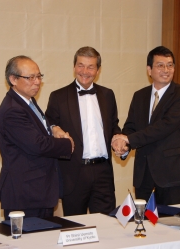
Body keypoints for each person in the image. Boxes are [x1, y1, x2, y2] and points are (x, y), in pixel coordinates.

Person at [112, 46, 180, 205]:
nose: (166, 69)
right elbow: (131, 126)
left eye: (170, 65)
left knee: (172, 225)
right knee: (144, 225)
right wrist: (123, 146)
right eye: (160, 65)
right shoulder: (139, 95)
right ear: (149, 70)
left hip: (172, 175)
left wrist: (128, 139)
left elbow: (164, 126)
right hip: (144, 176)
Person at [45, 46, 121, 216]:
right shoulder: (58, 96)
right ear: (74, 67)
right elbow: (48, 125)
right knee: (75, 228)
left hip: (103, 173)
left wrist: (119, 139)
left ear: (98, 70)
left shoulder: (108, 95)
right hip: (73, 173)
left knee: (107, 228)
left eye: (90, 66)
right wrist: (54, 129)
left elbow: (113, 125)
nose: (84, 71)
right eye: (80, 65)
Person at [0, 55, 74, 220]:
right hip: (25, 194)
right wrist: (67, 145)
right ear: (13, 79)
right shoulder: (13, 110)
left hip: (38, 191)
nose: (37, 82)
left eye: (39, 76)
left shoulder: (28, 102)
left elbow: (39, 130)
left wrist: (53, 128)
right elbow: (37, 145)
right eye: (30, 77)